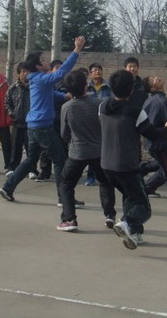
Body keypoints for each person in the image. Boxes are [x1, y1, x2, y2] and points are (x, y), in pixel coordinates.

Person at [0, 36, 85, 204]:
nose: (47, 61)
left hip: (34, 127)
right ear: (38, 66)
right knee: (60, 160)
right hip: (43, 127)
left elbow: (49, 94)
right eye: (44, 60)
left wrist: (64, 96)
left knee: (31, 159)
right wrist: (76, 51)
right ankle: (64, 198)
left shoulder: (37, 80)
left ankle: (7, 187)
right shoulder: (41, 78)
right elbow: (61, 72)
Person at [100, 69, 167, 250]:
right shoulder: (136, 112)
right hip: (127, 165)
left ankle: (135, 233)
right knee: (143, 207)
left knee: (130, 196)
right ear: (131, 89)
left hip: (106, 164)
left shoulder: (103, 107)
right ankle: (126, 223)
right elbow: (152, 134)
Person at [57, 70, 116, 232]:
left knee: (66, 183)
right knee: (105, 182)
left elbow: (64, 134)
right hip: (99, 151)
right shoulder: (98, 104)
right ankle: (109, 215)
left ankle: (69, 219)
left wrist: (73, 141)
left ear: (69, 90)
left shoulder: (67, 107)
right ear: (85, 86)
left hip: (77, 152)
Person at [83, 63, 111, 186]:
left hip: (105, 122)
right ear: (90, 73)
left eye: (99, 69)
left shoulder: (108, 87)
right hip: (91, 122)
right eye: (94, 70)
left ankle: (104, 176)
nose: (97, 72)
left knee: (104, 150)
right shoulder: (86, 88)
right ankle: (90, 176)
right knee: (92, 150)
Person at [5, 62, 31, 175]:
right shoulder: (13, 88)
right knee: (15, 147)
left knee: (30, 147)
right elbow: (7, 103)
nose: (26, 74)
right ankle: (12, 168)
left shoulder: (34, 87)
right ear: (19, 74)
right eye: (23, 72)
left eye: (28, 71)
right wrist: (12, 114)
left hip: (30, 123)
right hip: (17, 122)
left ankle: (32, 169)